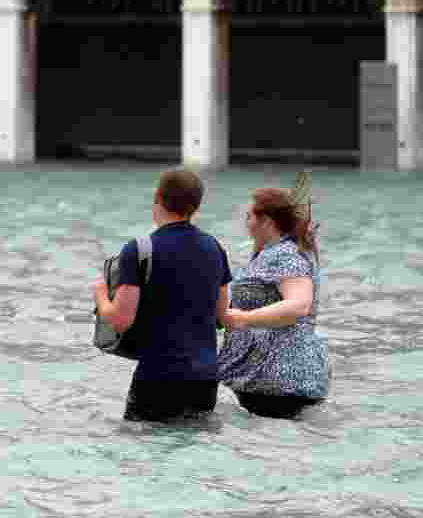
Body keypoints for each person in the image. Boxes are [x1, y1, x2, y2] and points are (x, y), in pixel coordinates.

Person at [92, 169, 232, 422]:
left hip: (159, 376)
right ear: (196, 205)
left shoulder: (140, 249)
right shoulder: (215, 247)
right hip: (206, 378)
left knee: (142, 451)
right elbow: (222, 317)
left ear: (157, 197)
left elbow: (121, 320)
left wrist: (101, 296)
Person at [216, 186, 331, 418]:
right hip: (267, 378)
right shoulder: (271, 253)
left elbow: (299, 305)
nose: (246, 223)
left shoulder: (286, 255)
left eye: (249, 217)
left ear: (266, 221)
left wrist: (242, 319)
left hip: (276, 379)